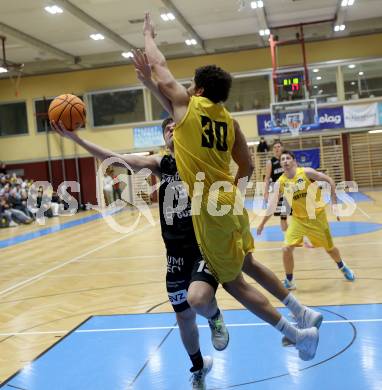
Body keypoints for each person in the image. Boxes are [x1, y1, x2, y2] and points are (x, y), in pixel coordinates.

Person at [140, 12, 321, 378]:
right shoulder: (228, 121)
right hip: (231, 202)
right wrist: (227, 192)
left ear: (200, 90)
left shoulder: (187, 108)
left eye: (192, 85)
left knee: (234, 282)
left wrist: (148, 36)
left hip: (210, 209)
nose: (186, 88)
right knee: (250, 264)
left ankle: (298, 334)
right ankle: (301, 311)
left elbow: (159, 66)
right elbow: (248, 166)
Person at [51, 116, 229, 390]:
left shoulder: (199, 159)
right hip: (174, 255)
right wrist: (77, 140)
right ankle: (197, 367)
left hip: (202, 247)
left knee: (198, 299)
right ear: (164, 139)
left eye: (176, 127)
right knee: (183, 316)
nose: (171, 130)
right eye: (167, 129)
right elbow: (117, 160)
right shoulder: (162, 164)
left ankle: (215, 317)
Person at [257, 150, 355, 290]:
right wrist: (261, 224)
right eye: (282, 159)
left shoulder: (306, 172)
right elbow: (272, 206)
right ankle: (290, 280)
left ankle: (343, 266)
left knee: (330, 249)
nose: (285, 161)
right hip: (298, 220)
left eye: (288, 158)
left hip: (317, 218)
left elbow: (330, 180)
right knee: (286, 248)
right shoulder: (281, 183)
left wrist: (334, 204)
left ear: (294, 161)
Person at [263, 140, 288, 232]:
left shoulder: (287, 159)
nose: (277, 148)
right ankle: (288, 239)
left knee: (298, 216)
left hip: (291, 191)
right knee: (283, 217)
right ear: (272, 150)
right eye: (275, 147)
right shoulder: (270, 162)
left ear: (282, 148)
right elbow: (267, 178)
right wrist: (266, 192)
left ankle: (298, 237)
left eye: (278, 146)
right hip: (280, 193)